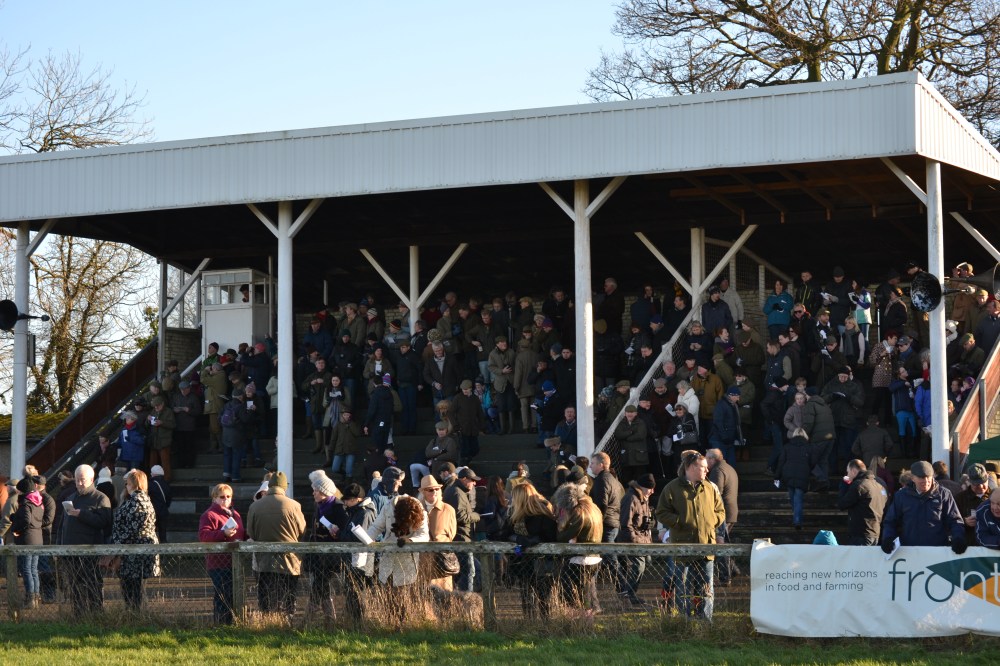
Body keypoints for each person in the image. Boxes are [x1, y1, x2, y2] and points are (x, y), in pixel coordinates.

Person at [655, 451, 725, 620]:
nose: (706, 471)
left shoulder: (710, 488)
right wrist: (680, 521)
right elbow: (661, 512)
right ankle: (684, 621)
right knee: (683, 587)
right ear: (691, 467)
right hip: (683, 546)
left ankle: (705, 621)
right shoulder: (672, 488)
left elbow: (721, 512)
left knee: (706, 587)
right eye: (703, 468)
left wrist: (710, 522)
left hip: (706, 545)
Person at [245, 471, 307, 621]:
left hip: (264, 561)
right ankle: (287, 621)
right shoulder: (294, 506)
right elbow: (302, 531)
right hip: (289, 560)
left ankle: (267, 622)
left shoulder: (255, 506)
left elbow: (251, 533)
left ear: (270, 485)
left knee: (266, 596)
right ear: (284, 487)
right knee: (288, 595)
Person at [369, 494, 429, 627]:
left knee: (403, 592)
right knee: (387, 591)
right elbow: (376, 527)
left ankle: (402, 625)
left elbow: (424, 534)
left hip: (408, 559)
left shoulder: (419, 509)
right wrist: (366, 539)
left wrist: (410, 541)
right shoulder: (387, 507)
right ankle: (390, 623)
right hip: (388, 555)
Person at [501, 482, 558, 618]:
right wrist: (517, 539)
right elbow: (503, 534)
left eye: (514, 497)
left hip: (541, 563)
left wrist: (533, 540)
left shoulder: (543, 515)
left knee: (543, 596)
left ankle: (545, 623)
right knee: (527, 595)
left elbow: (551, 537)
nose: (512, 500)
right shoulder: (515, 516)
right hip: (521, 562)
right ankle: (530, 622)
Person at [881, 461, 965, 553]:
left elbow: (955, 520)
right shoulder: (901, 496)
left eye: (928, 477)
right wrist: (888, 538)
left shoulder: (944, 494)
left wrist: (958, 538)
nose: (925, 481)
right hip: (909, 551)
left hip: (938, 551)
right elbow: (890, 521)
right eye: (921, 477)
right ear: (913, 478)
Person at [62, 464, 113, 613]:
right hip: (70, 552)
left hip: (90, 552)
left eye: (82, 480)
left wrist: (82, 514)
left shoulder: (101, 498)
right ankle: (78, 615)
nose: (79, 483)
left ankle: (96, 615)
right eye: (77, 480)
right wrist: (59, 546)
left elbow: (104, 522)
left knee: (92, 585)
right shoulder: (71, 497)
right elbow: (62, 526)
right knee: (74, 586)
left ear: (91, 479)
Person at [110, 469, 161, 610]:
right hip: (136, 551)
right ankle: (135, 615)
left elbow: (132, 530)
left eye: (127, 483)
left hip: (134, 553)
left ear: (132, 484)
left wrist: (116, 543)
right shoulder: (143, 500)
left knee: (132, 589)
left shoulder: (136, 502)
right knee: (135, 588)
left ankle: (134, 616)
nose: (125, 485)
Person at [553, 479, 604, 615]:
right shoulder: (593, 508)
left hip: (579, 560)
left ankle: (580, 627)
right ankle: (587, 625)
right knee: (588, 594)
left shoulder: (579, 512)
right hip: (594, 557)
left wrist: (561, 527)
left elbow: (562, 537)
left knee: (575, 598)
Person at [198, 483, 246, 624]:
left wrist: (248, 537)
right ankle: (221, 624)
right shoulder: (209, 515)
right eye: (222, 497)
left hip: (235, 561)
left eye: (228, 496)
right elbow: (203, 536)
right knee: (222, 596)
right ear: (214, 498)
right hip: (218, 562)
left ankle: (232, 623)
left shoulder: (235, 514)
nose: (225, 499)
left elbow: (241, 532)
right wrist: (222, 533)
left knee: (233, 595)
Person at [336, 483, 377, 626]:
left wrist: (340, 534)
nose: (346, 502)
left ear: (358, 499)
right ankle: (355, 622)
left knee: (358, 594)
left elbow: (361, 538)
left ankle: (359, 623)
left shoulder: (365, 513)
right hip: (354, 559)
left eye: (349, 499)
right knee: (352, 593)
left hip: (361, 561)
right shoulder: (356, 513)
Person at [306, 470, 344, 622]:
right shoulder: (319, 506)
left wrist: (337, 532)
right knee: (321, 587)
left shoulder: (338, 509)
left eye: (316, 490)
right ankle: (330, 619)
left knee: (319, 586)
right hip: (317, 554)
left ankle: (308, 620)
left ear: (324, 492)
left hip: (329, 555)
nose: (313, 493)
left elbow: (344, 530)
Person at [616, 473, 655, 605]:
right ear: (643, 487)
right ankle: (629, 593)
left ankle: (629, 592)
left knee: (643, 565)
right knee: (639, 566)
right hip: (633, 540)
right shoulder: (631, 498)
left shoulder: (643, 498)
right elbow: (625, 523)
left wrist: (651, 524)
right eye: (650, 488)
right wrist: (634, 540)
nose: (652, 491)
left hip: (641, 539)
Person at [443, 466, 481, 592]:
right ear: (464, 479)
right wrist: (476, 516)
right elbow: (460, 516)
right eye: (472, 480)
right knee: (471, 571)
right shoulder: (457, 493)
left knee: (467, 571)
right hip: (460, 539)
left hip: (459, 538)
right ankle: (465, 600)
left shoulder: (457, 490)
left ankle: (460, 598)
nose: (474, 483)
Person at [418, 474, 457, 591]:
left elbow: (452, 534)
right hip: (422, 560)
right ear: (423, 492)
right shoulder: (417, 510)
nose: (434, 492)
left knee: (444, 597)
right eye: (430, 490)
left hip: (442, 560)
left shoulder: (448, 509)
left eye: (437, 489)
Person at [706, 449, 739, 584]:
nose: (705, 462)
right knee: (723, 543)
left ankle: (726, 576)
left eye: (707, 459)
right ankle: (733, 569)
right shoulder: (729, 467)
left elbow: (715, 492)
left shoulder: (718, 471)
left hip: (723, 513)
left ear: (713, 459)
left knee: (720, 545)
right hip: (730, 511)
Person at [836, 460, 888, 546]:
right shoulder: (879, 485)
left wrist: (844, 484)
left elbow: (842, 504)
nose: (847, 474)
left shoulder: (859, 485)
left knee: (858, 559)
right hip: (875, 532)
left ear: (853, 471)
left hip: (860, 534)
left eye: (848, 471)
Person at [11, 477, 45, 608]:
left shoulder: (26, 502)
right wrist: (16, 517)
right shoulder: (38, 502)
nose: (18, 493)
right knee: (33, 569)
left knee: (26, 568)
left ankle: (30, 598)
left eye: (19, 491)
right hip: (37, 538)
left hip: (27, 539)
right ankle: (36, 597)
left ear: (24, 491)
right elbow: (34, 519)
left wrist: (16, 527)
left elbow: (26, 520)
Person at [955, 463, 991, 545]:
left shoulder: (995, 496)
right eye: (977, 484)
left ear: (988, 477)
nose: (981, 486)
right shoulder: (960, 498)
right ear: (969, 482)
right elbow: (950, 521)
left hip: (992, 547)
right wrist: (964, 522)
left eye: (983, 482)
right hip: (969, 548)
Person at [149, 465, 171, 545]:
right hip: (164, 511)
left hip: (153, 512)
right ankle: (164, 551)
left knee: (152, 532)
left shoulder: (150, 484)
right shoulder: (167, 484)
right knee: (163, 533)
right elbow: (169, 499)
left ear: (153, 474)